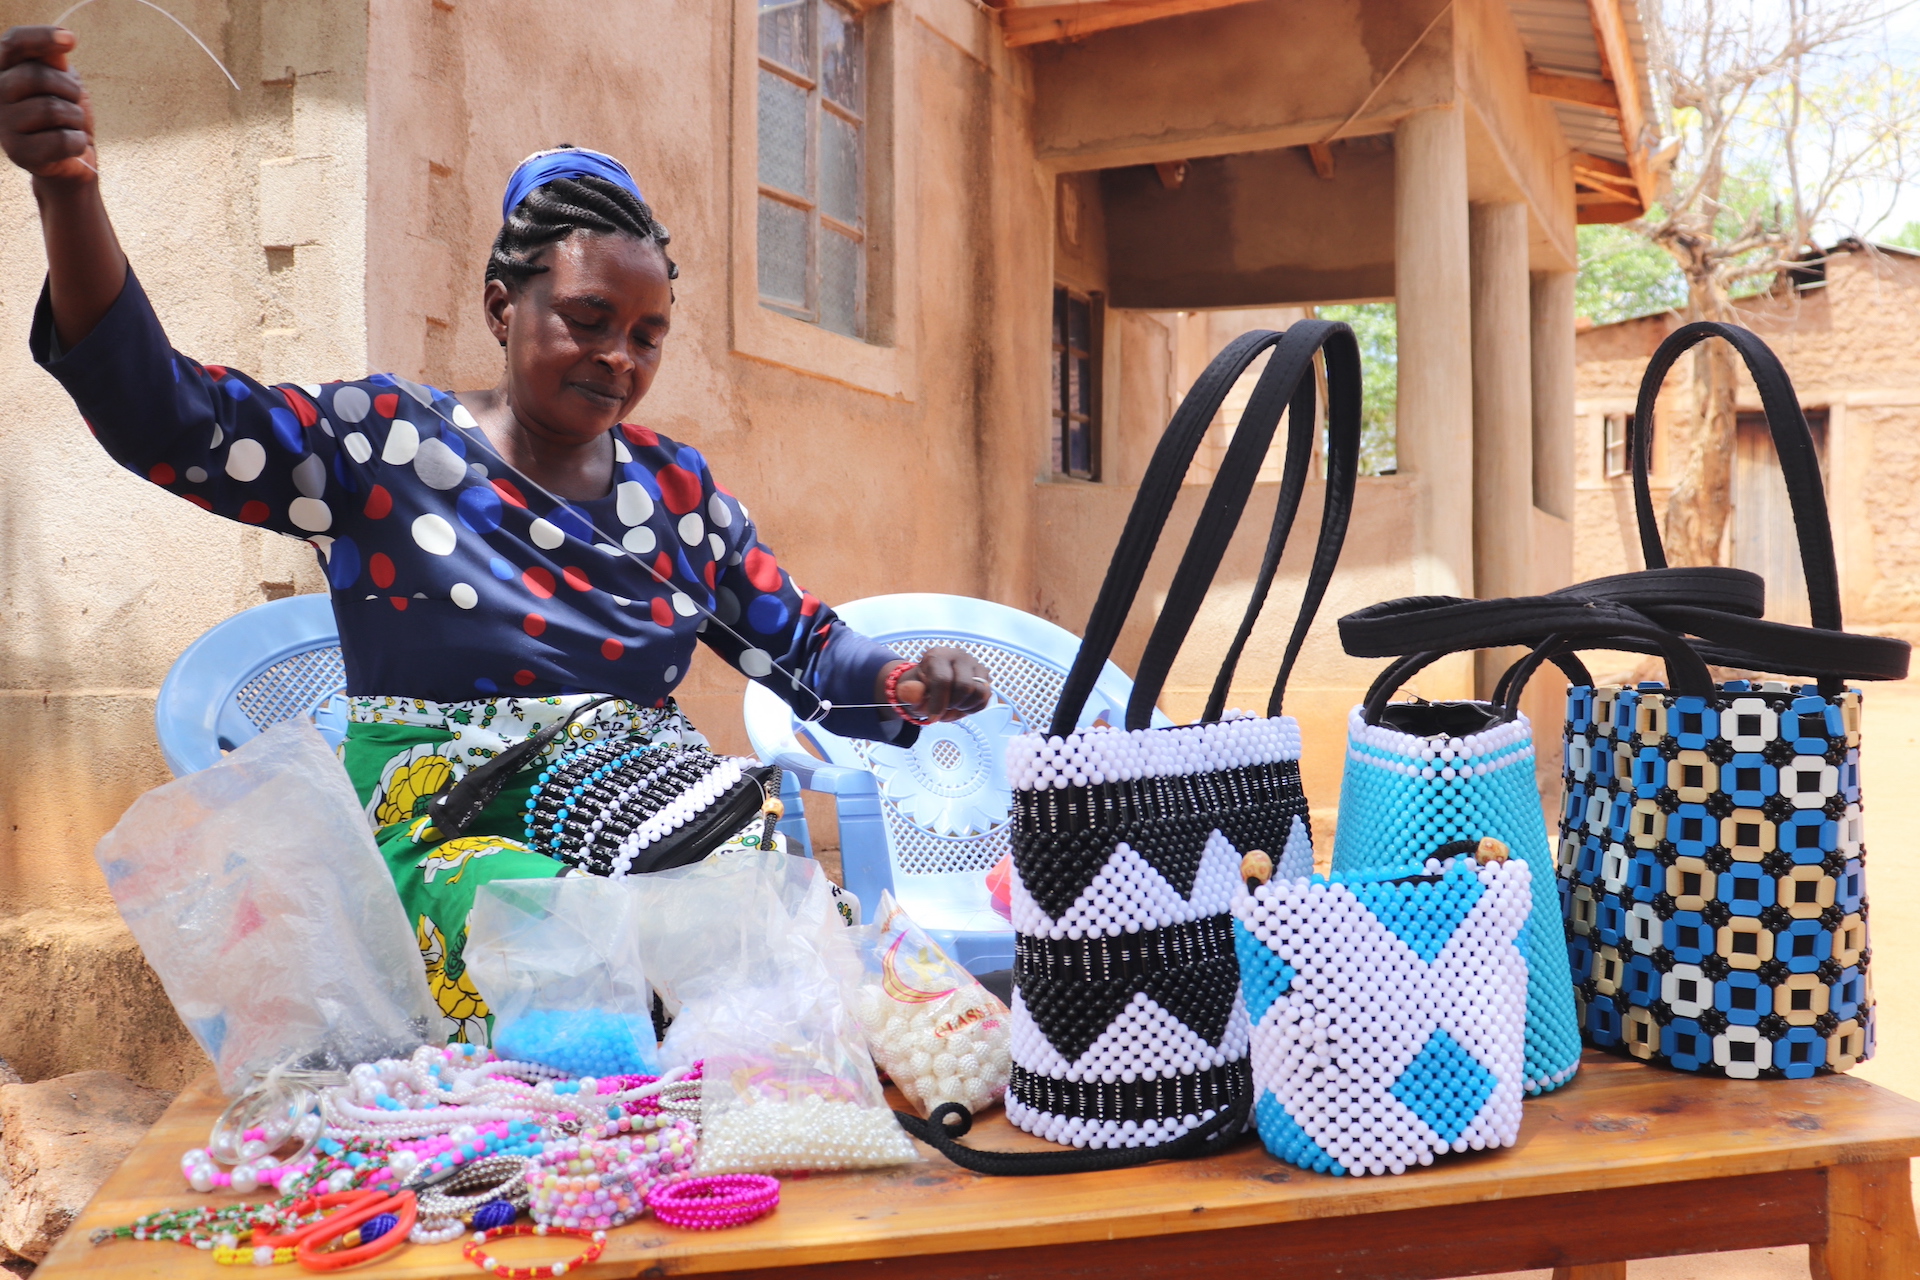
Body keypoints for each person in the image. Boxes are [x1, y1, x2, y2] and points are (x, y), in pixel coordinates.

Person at [1, 25, 992, 1042]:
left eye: (648, 334)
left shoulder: (678, 490)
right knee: (552, 940)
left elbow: (810, 649)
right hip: (452, 826)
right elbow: (169, 420)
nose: (620, 356)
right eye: (588, 317)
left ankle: (734, 1162)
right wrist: (68, 192)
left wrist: (907, 680)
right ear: (500, 309)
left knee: (757, 925)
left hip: (652, 807)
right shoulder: (384, 446)